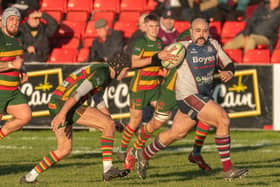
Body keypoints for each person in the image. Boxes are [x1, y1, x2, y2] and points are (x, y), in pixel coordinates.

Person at [135, 18, 248, 180]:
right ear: (191, 31)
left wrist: (228, 72)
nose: (201, 34)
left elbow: (229, 64)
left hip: (202, 95)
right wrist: (161, 59)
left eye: (205, 31)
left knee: (178, 132)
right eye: (197, 31)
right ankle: (228, 168)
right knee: (222, 119)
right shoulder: (183, 47)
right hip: (187, 95)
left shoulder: (213, 45)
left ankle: (144, 154)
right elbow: (160, 57)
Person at [19, 58, 131, 184]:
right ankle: (108, 169)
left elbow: (98, 99)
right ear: (118, 67)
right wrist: (62, 114)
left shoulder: (102, 71)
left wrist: (111, 120)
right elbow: (77, 94)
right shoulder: (102, 73)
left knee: (64, 149)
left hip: (56, 103)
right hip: (64, 103)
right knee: (107, 125)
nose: (126, 74)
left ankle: (29, 177)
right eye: (126, 71)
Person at [116, 14, 169, 164]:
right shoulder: (141, 42)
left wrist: (163, 70)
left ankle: (137, 147)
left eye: (157, 26)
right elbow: (134, 63)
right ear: (145, 27)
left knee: (164, 115)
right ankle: (122, 149)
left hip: (154, 87)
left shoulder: (160, 43)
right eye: (151, 26)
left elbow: (159, 63)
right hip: (139, 87)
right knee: (135, 121)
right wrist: (156, 57)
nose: (154, 29)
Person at [0, 8, 32, 143]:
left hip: (13, 91)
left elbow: (18, 56)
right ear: (4, 21)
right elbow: (13, 63)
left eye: (17, 20)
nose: (15, 23)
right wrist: (12, 66)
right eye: (11, 19)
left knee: (25, 116)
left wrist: (22, 69)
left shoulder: (20, 36)